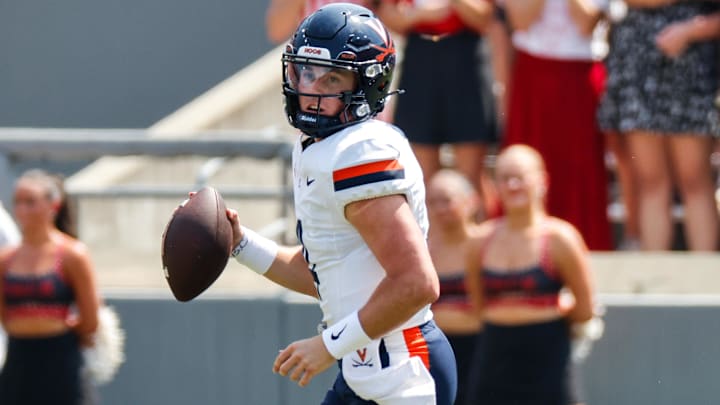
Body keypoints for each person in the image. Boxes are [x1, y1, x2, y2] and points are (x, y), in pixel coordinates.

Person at [227, 4, 457, 404]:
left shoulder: (360, 150)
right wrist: (238, 244)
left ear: (366, 85)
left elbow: (417, 283)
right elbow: (323, 271)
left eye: (332, 77)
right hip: (364, 367)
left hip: (406, 373)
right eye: (307, 72)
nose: (312, 89)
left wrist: (327, 345)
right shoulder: (321, 147)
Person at [464, 145, 599, 404]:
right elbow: (478, 305)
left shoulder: (561, 238)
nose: (513, 185)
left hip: (548, 361)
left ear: (542, 181)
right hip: (494, 361)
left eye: (520, 177)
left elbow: (585, 309)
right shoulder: (479, 241)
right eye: (504, 178)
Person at [597, 0, 720, 251]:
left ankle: (706, 280)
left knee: (695, 180)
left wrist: (691, 30)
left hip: (692, 64)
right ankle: (656, 279)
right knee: (651, 182)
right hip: (638, 61)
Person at [501, 0, 613, 250]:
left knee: (579, 167)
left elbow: (585, 23)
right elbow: (521, 21)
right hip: (532, 74)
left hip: (578, 78)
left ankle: (582, 249)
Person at [375, 0, 500, 219]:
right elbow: (387, 15)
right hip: (420, 55)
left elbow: (484, 17)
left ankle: (479, 246)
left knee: (470, 178)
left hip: (465, 55)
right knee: (422, 177)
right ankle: (433, 247)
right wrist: (419, 16)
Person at [0, 169, 100, 405]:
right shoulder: (6, 260)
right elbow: (4, 315)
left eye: (31, 202)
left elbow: (90, 320)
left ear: (53, 205)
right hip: (18, 359)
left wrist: (56, 327)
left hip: (60, 360)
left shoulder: (72, 255)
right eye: (18, 202)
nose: (22, 210)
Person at [425, 169, 483, 405]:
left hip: (482, 354)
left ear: (472, 201)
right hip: (435, 356)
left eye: (447, 201)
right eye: (432, 202)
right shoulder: (421, 251)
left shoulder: (487, 246)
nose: (440, 209)